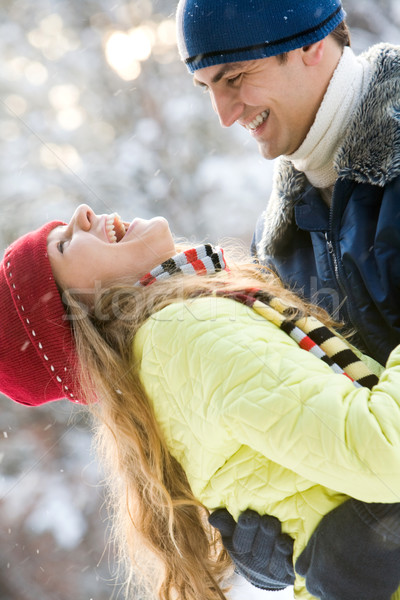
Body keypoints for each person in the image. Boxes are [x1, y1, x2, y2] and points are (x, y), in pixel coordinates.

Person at [2, 204, 400, 600]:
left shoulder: (171, 346)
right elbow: (384, 451)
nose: (82, 213)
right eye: (65, 245)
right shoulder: (181, 334)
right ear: (81, 316)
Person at [176, 0, 400, 596]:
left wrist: (382, 533)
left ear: (308, 43)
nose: (224, 114)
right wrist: (287, 521)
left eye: (234, 77)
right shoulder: (276, 249)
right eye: (206, 88)